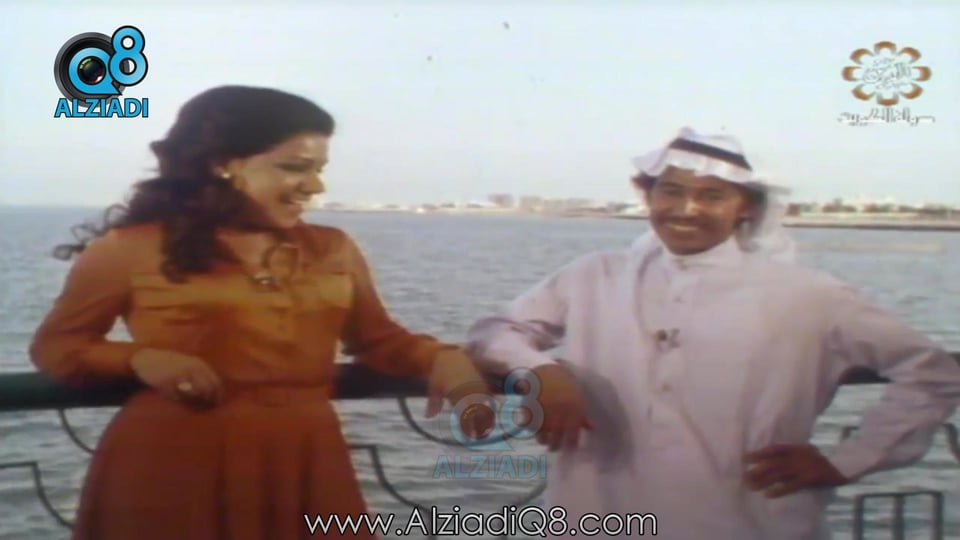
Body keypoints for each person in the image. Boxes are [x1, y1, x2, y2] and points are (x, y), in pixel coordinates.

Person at [29, 85, 492, 540]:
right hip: (174, 466)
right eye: (294, 168)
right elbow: (57, 346)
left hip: (308, 460)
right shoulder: (129, 249)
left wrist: (444, 359)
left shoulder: (333, 249)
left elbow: (378, 340)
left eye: (319, 170)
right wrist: (139, 359)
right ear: (223, 164)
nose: (315, 187)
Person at [465, 127, 960, 539]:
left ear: (747, 208)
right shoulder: (595, 275)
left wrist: (846, 461)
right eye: (671, 191)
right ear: (648, 195)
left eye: (712, 195)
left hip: (749, 522)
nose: (687, 209)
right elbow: (495, 331)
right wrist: (540, 370)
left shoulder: (810, 295)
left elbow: (932, 372)